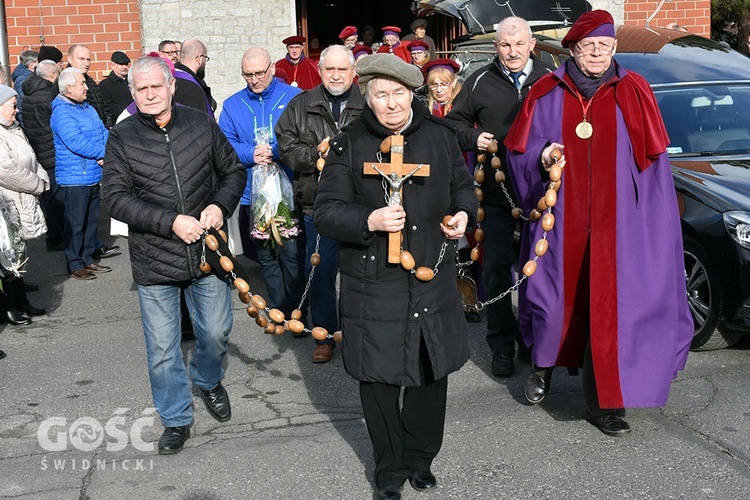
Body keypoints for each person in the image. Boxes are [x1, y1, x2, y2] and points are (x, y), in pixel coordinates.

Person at [504, 10, 693, 436]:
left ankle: (604, 403)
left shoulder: (635, 89)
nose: (597, 54)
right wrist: (542, 155)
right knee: (552, 302)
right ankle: (543, 367)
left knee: (612, 310)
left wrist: (653, 227)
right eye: (588, 46)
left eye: (604, 46)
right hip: (560, 217)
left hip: (619, 223)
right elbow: (518, 151)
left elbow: (654, 165)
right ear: (572, 49)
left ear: (613, 49)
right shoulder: (545, 91)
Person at [314, 53, 477, 500]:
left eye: (398, 94)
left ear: (412, 94)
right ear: (366, 96)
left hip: (431, 273)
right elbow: (326, 212)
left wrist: (463, 214)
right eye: (380, 94)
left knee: (430, 370)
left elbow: (463, 186)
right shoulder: (348, 145)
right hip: (373, 281)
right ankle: (389, 466)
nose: (390, 104)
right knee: (379, 378)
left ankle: (421, 458)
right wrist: (369, 220)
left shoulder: (441, 138)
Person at [101, 56, 246, 455]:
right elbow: (114, 198)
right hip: (155, 257)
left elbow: (233, 171)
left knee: (215, 333)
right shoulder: (122, 136)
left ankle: (208, 378)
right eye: (140, 89)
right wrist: (170, 222)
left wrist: (220, 206)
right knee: (163, 350)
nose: (149, 95)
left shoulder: (201, 124)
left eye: (155, 87)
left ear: (171, 87)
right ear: (132, 94)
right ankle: (176, 418)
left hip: (207, 252)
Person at [445, 16, 553, 377]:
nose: (512, 52)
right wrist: (470, 138)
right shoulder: (478, 82)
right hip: (496, 192)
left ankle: (536, 341)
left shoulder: (552, 77)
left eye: (519, 44)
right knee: (496, 270)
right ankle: (502, 345)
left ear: (531, 45)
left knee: (542, 270)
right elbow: (452, 124)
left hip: (544, 193)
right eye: (505, 45)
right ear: (496, 46)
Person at [276, 45, 365, 363]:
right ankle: (325, 334)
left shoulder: (368, 103)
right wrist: (316, 156)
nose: (337, 75)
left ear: (353, 72)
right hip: (318, 203)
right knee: (321, 270)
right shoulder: (300, 105)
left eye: (343, 69)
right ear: (321, 70)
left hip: (360, 206)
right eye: (330, 69)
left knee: (360, 272)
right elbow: (286, 146)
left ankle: (359, 335)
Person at [219, 47, 306, 319]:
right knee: (265, 254)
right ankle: (280, 306)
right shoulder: (232, 105)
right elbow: (224, 145)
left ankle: (298, 308)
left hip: (289, 191)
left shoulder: (295, 97)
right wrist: (250, 153)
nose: (255, 79)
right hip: (251, 193)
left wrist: (277, 151)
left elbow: (305, 136)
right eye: (248, 75)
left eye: (259, 73)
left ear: (271, 69)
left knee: (291, 253)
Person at [50, 68, 110, 280]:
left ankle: (88, 257)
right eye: (82, 84)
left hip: (92, 173)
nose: (86, 87)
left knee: (91, 221)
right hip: (74, 177)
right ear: (68, 88)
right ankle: (74, 262)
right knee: (75, 223)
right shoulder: (62, 112)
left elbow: (103, 131)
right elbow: (75, 142)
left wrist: (107, 150)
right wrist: (103, 152)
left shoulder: (87, 108)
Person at [0, 85, 48, 324]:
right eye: (13, 106)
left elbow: (31, 159)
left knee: (19, 253)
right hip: (7, 201)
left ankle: (20, 300)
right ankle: (9, 306)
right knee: (8, 256)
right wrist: (37, 185)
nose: (17, 111)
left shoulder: (14, 129)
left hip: (22, 197)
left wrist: (42, 177)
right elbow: (6, 170)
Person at [21, 58, 62, 252]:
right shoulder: (49, 95)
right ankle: (55, 238)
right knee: (55, 198)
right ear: (53, 75)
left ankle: (53, 235)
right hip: (51, 150)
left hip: (38, 149)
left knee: (48, 196)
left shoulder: (28, 92)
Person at [52, 44, 114, 129]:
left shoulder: (90, 81)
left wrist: (108, 125)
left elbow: (103, 106)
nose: (86, 63)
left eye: (88, 59)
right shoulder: (63, 81)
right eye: (81, 59)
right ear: (70, 59)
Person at [174, 38, 216, 117]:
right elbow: (198, 124)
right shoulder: (192, 89)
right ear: (199, 58)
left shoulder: (170, 77)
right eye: (205, 58)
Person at [98, 51, 133, 119]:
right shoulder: (105, 85)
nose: (124, 67)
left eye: (126, 64)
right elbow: (108, 107)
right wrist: (129, 111)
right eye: (121, 64)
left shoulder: (133, 81)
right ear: (112, 65)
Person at [11, 49, 38, 125]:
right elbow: (25, 101)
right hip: (27, 119)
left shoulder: (27, 77)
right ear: (32, 65)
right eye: (38, 62)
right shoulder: (23, 79)